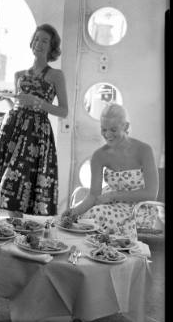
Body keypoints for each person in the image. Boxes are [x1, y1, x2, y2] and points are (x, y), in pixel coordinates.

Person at [0, 24, 68, 217]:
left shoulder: (56, 75)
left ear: (52, 47)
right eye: (36, 39)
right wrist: (6, 98)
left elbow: (63, 111)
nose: (39, 43)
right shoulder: (19, 75)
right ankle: (11, 231)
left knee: (20, 182)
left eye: (45, 40)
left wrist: (38, 102)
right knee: (7, 184)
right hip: (11, 130)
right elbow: (18, 107)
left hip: (36, 134)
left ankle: (17, 233)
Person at [61, 103, 159, 240]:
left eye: (113, 130)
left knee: (97, 214)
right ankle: (94, 253)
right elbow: (93, 195)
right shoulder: (99, 155)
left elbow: (151, 194)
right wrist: (72, 213)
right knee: (83, 218)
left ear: (126, 127)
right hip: (110, 203)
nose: (107, 135)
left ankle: (110, 252)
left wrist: (114, 195)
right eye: (103, 129)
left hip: (139, 207)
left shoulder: (144, 150)